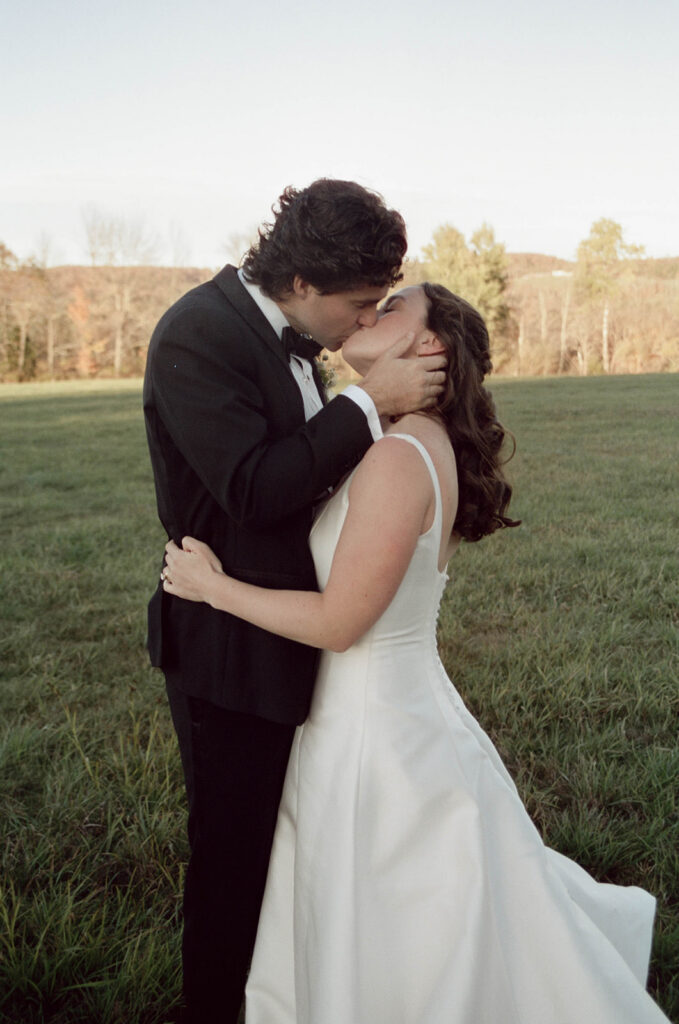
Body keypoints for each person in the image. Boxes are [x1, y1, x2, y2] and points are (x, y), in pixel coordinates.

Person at [161, 283, 670, 1024]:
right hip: (376, 711)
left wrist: (214, 588)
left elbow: (341, 623)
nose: (368, 315)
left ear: (428, 347)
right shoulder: (397, 440)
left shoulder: (401, 455)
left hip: (375, 734)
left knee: (399, 922)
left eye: (391, 306)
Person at [143, 179, 446, 1024]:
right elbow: (252, 489)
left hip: (307, 639)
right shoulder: (199, 334)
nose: (364, 322)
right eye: (357, 305)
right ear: (301, 284)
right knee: (233, 867)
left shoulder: (296, 338)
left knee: (293, 859)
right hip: (229, 650)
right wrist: (366, 405)